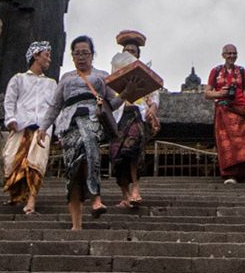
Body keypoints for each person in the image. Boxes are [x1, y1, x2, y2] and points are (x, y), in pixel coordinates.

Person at [38, 35, 121, 230]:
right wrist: (43, 127)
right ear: (72, 56)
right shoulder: (66, 78)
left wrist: (126, 93)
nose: (81, 57)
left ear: (92, 55)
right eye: (77, 54)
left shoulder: (101, 77)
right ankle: (76, 224)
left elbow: (113, 102)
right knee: (73, 171)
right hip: (69, 124)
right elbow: (55, 106)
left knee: (89, 143)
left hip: (92, 119)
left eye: (85, 53)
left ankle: (96, 197)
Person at [2, 41, 57, 214]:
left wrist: (59, 129)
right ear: (35, 56)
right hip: (21, 126)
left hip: (42, 128)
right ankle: (17, 195)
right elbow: (10, 100)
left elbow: (56, 107)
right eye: (46, 55)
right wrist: (10, 118)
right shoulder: (19, 79)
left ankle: (31, 201)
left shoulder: (51, 83)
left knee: (36, 164)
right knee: (12, 160)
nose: (49, 59)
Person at [108, 30, 160, 208]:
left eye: (134, 51)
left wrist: (152, 110)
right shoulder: (113, 74)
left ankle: (136, 187)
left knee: (133, 150)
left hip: (137, 114)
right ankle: (125, 194)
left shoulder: (144, 72)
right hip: (118, 116)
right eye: (127, 51)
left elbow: (154, 97)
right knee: (118, 155)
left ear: (138, 55)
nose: (130, 53)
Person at [204, 44, 245, 183]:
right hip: (223, 111)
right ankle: (230, 175)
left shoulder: (242, 71)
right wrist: (220, 93)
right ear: (223, 55)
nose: (232, 56)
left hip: (240, 111)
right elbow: (207, 93)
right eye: (229, 53)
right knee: (227, 144)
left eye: (234, 53)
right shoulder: (216, 71)